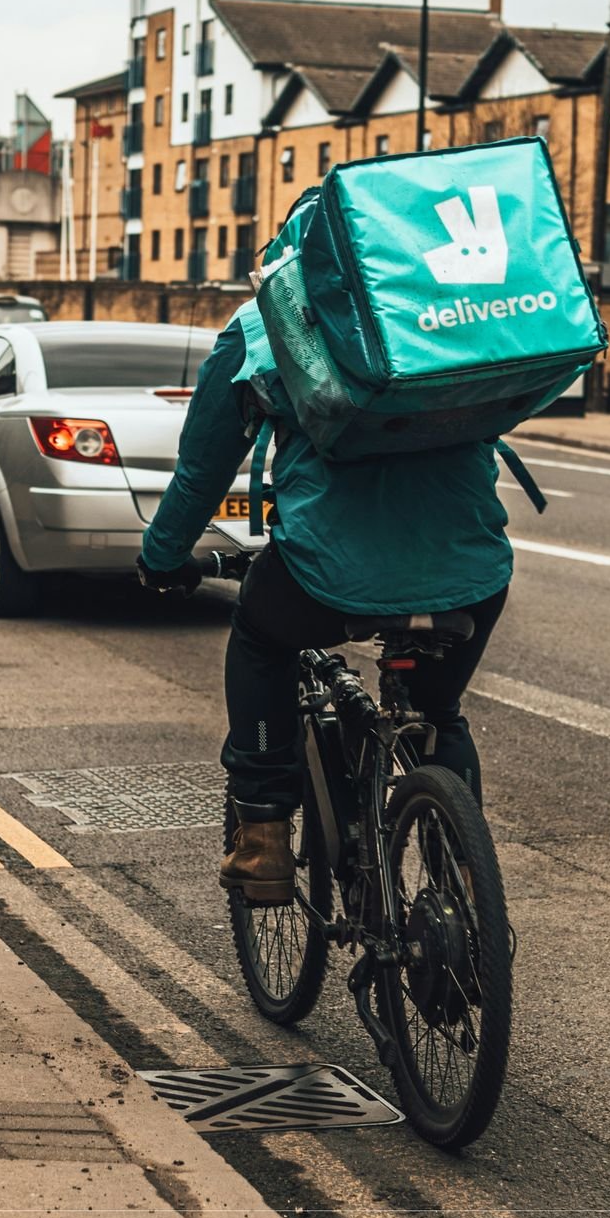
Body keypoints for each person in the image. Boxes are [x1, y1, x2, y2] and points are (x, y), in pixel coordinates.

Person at [138, 302, 512, 905]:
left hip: (325, 573)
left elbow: (204, 468)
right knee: (438, 712)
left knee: (261, 636)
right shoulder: (446, 308)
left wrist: (161, 558)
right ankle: (468, 889)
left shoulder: (264, 325)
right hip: (471, 571)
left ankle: (263, 839)